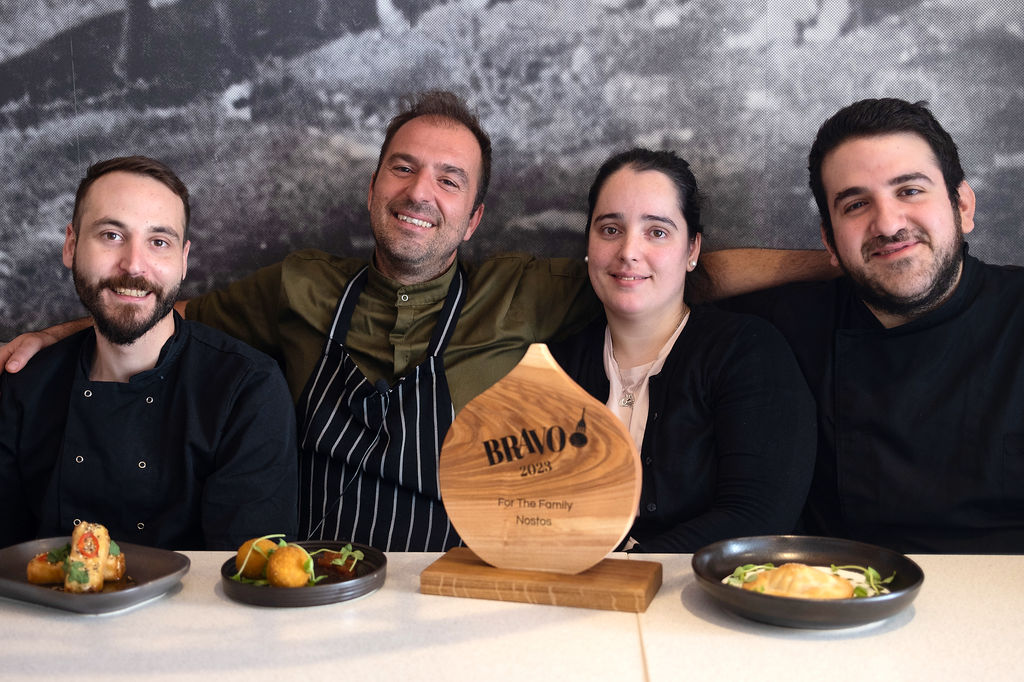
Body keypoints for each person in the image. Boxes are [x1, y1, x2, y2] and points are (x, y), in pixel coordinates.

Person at [0, 92, 833, 552]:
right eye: (402, 168)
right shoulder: (292, 286)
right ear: (372, 190)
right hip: (306, 575)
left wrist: (832, 260)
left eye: (448, 179)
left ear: (473, 220)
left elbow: (679, 270)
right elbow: (157, 312)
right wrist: (61, 332)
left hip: (455, 574)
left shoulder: (534, 289)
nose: (419, 193)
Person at [729, 98, 1024, 553]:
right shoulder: (789, 326)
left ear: (962, 205)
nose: (886, 223)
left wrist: (882, 254)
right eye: (856, 205)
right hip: (850, 599)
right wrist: (853, 260)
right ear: (828, 237)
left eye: (909, 191)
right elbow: (677, 279)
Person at [0, 156, 298, 551]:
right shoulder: (25, 385)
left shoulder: (245, 391)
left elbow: (247, 574)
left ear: (183, 260)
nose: (134, 265)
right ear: (71, 246)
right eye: (111, 235)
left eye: (159, 242)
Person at [551, 149, 816, 553]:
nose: (628, 251)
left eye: (657, 231)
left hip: (707, 599)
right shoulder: (554, 368)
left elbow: (758, 516)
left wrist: (627, 568)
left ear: (692, 250)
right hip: (573, 599)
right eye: (609, 229)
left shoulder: (748, 351)